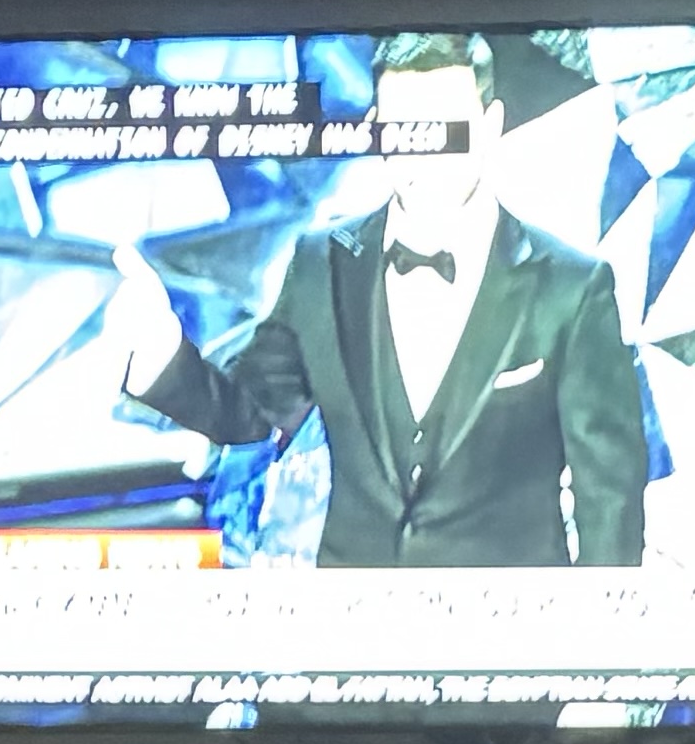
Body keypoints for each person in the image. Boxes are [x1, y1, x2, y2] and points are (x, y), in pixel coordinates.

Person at [138, 32, 646, 566]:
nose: (421, 154)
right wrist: (159, 355)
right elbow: (251, 413)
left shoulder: (571, 285)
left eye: (442, 128)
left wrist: (593, 642)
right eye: (403, 129)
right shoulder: (320, 260)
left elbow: (609, 493)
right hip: (357, 627)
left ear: (490, 126)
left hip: (506, 635)